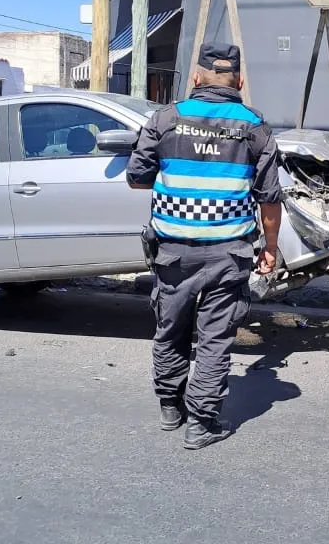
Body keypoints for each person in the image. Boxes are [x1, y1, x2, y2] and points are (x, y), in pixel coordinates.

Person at [126, 41, 282, 451]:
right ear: (239, 82)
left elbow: (136, 178)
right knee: (214, 338)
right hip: (229, 252)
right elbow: (269, 198)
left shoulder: (166, 118)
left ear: (196, 77)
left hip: (174, 251)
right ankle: (200, 423)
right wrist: (270, 247)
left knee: (170, 328)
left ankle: (170, 407)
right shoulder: (255, 127)